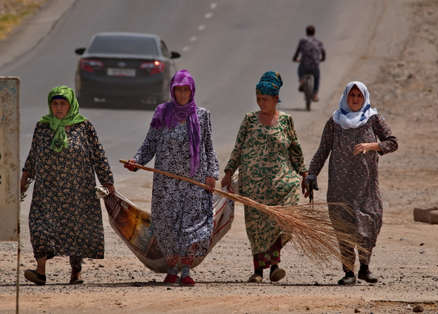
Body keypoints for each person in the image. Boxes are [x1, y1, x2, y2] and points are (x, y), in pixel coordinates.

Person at [124, 69, 219, 286]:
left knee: (191, 227)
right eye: (179, 90)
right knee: (166, 225)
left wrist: (212, 174)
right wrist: (137, 161)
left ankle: (185, 270)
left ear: (192, 91)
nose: (183, 94)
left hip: (193, 183)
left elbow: (209, 148)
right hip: (166, 185)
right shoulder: (162, 113)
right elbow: (150, 143)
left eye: (186, 90)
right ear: (173, 91)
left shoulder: (202, 116)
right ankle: (172, 268)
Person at [305, 81, 398, 285]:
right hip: (339, 184)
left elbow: (392, 142)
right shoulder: (334, 121)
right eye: (352, 96)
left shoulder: (373, 119)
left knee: (370, 221)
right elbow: (323, 150)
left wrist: (372, 145)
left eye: (359, 96)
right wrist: (311, 174)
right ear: (346, 97)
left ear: (364, 98)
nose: (355, 99)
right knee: (343, 226)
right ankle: (348, 272)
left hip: (366, 185)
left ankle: (365, 267)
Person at [21, 86, 115, 285]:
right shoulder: (42, 126)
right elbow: (33, 155)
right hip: (47, 191)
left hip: (78, 191)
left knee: (77, 230)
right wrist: (24, 180)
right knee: (39, 228)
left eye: (63, 103)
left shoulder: (84, 126)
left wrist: (107, 182)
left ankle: (76, 272)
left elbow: (98, 156)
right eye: (55, 104)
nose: (58, 108)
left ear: (71, 105)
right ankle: (40, 271)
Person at [221, 71, 308, 283]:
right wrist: (228, 171)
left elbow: (295, 150)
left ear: (276, 99)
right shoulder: (249, 120)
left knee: (283, 222)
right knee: (257, 228)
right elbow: (238, 148)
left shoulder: (286, 121)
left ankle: (274, 264)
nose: (261, 103)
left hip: (281, 184)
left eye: (265, 99)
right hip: (254, 186)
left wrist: (305, 174)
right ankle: (259, 271)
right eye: (258, 99)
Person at [292, 25, 326, 102]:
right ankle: (315, 95)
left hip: (304, 65)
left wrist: (294, 59)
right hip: (315, 66)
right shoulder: (318, 42)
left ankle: (301, 82)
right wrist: (322, 59)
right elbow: (323, 52)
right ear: (314, 33)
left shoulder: (302, 41)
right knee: (317, 78)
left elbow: (298, 51)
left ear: (306, 32)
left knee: (299, 69)